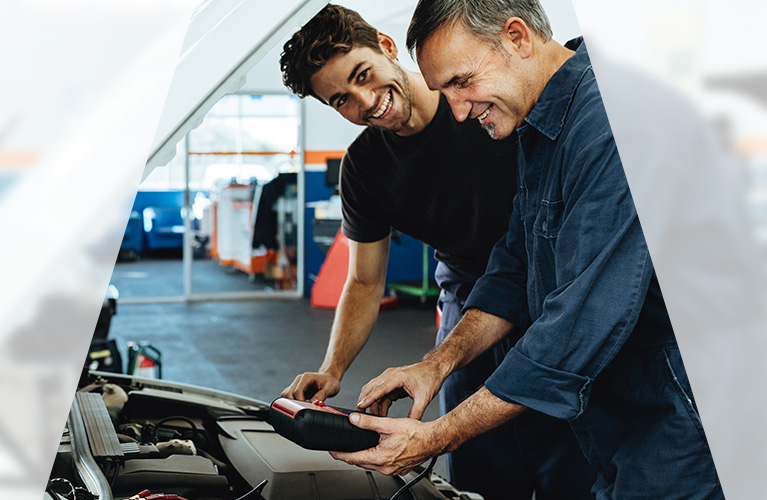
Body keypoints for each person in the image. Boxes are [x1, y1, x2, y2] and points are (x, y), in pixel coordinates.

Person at [329, 1, 724, 499]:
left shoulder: (614, 120)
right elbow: (514, 266)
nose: (457, 110)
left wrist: (438, 435)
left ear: (517, 37)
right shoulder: (539, 123)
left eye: (461, 82)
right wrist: (436, 363)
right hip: (618, 403)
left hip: (680, 402)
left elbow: (579, 322)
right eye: (443, 91)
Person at [278, 5, 595, 500]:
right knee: (478, 453)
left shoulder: (488, 97)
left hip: (559, 274)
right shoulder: (364, 169)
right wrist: (333, 368)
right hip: (474, 294)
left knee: (570, 443)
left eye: (363, 75)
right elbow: (364, 281)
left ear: (386, 46)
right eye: (342, 99)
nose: (366, 101)